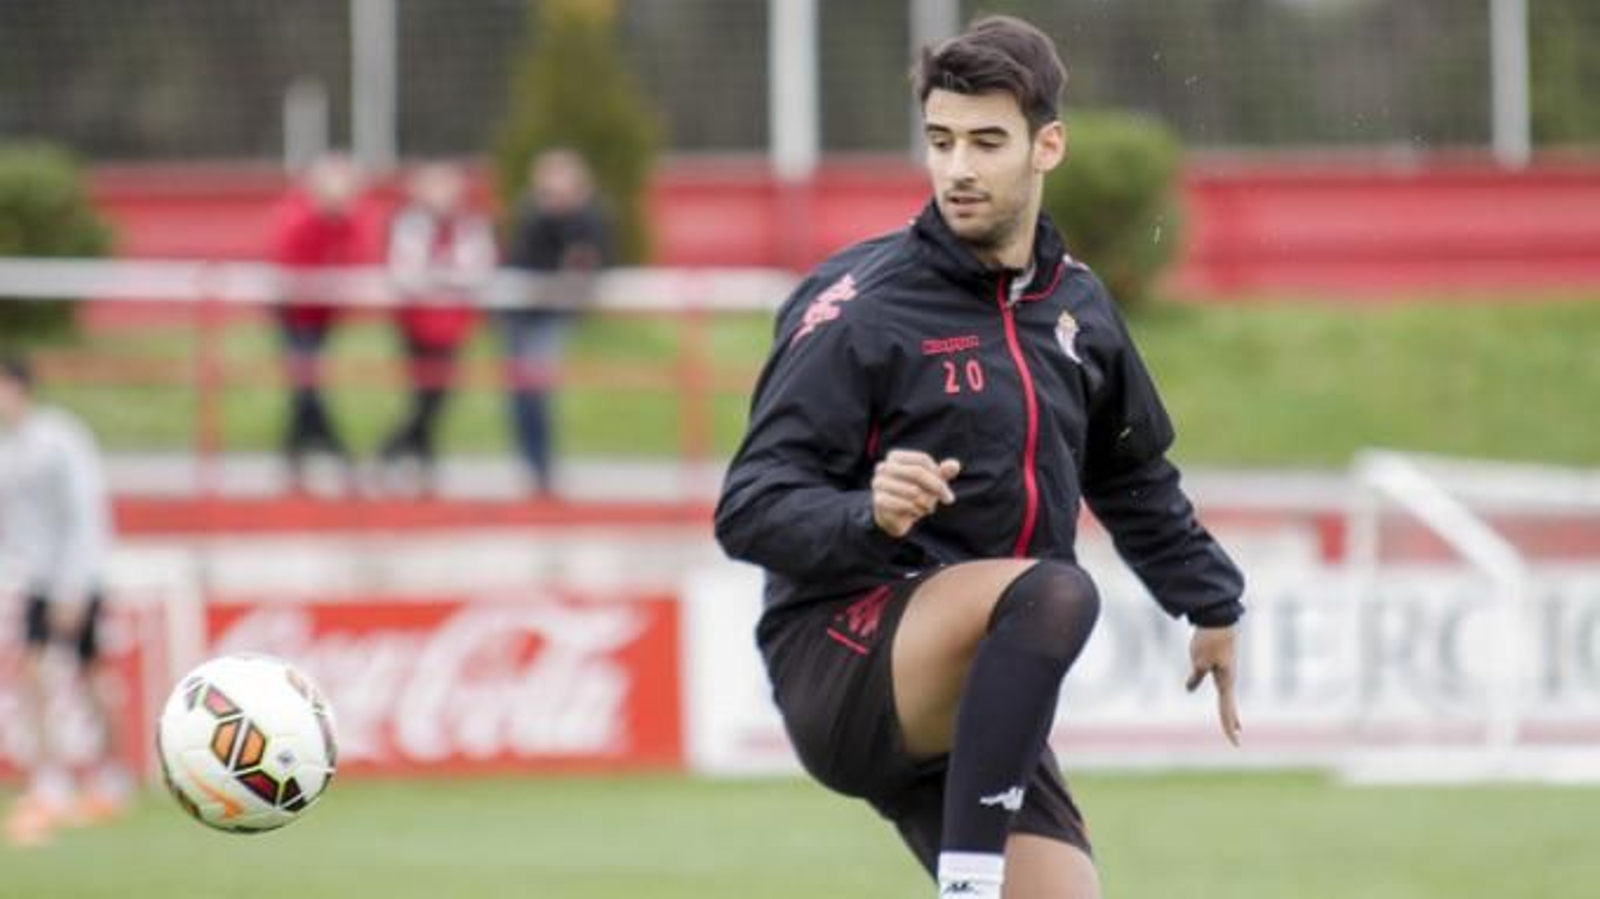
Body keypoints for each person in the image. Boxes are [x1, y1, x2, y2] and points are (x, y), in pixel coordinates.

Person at [714, 16, 1244, 899]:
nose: (958, 167)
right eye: (941, 141)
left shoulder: (1078, 305)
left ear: (1048, 146)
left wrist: (1210, 601)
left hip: (987, 692)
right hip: (847, 656)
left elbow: (1131, 471)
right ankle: (967, 889)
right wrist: (866, 512)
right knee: (1054, 588)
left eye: (987, 142)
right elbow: (748, 508)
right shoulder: (860, 308)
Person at [0, 354, 127, 848]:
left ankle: (113, 778)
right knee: (31, 673)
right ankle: (51, 782)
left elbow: (84, 511)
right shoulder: (7, 449)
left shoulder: (59, 437)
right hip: (34, 578)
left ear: (18, 387)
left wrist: (76, 585)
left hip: (78, 576)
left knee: (93, 673)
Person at [378, 162, 497, 494]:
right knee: (422, 393)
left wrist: (442, 277)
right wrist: (442, 276)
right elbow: (406, 273)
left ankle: (394, 452)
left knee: (438, 396)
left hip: (451, 322)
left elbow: (477, 270)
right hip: (415, 320)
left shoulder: (471, 223)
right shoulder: (408, 223)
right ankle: (418, 463)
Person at [500, 148, 613, 497]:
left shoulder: (591, 217)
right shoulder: (530, 214)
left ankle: (543, 467)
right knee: (521, 391)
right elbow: (522, 258)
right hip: (520, 313)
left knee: (537, 386)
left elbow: (591, 262)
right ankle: (533, 465)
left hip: (551, 315)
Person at [271, 152, 373, 494]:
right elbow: (289, 255)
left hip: (321, 315)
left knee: (306, 388)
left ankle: (294, 458)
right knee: (307, 388)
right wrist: (322, 217)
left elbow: (356, 260)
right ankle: (340, 459)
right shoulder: (298, 211)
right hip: (292, 312)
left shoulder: (350, 220)